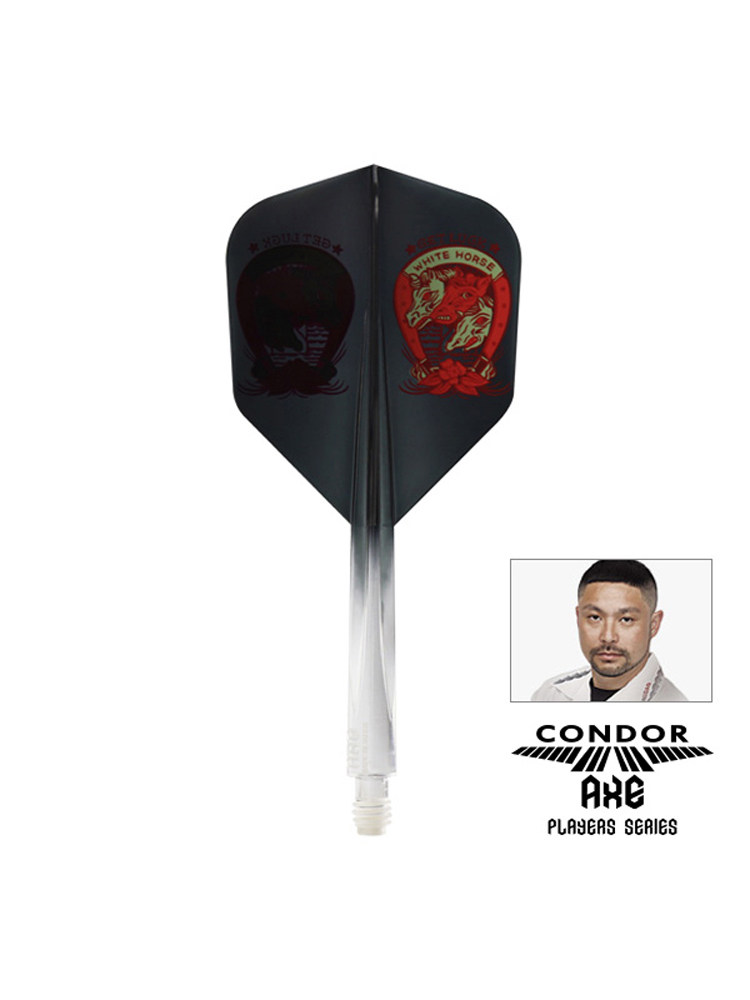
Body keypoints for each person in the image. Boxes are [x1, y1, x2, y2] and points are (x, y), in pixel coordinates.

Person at [531, 560, 687, 702]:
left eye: (626, 619)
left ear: (653, 625)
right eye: (595, 617)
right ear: (578, 618)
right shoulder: (549, 695)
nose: (608, 637)